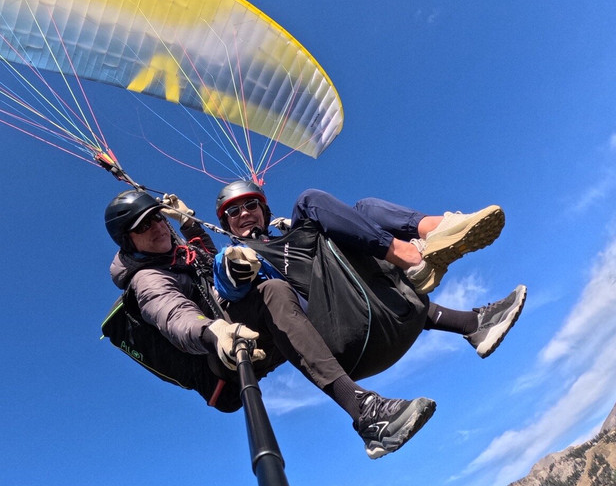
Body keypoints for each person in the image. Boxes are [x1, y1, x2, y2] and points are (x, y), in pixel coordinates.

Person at [106, 188, 435, 459]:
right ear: (128, 241)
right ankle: (366, 414)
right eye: (144, 226)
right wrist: (212, 331)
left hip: (248, 333)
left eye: (158, 218)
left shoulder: (180, 254)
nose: (158, 227)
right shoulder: (147, 279)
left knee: (305, 265)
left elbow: (204, 255)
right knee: (272, 291)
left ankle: (462, 316)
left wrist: (187, 222)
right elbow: (172, 314)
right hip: (218, 357)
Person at [213, 181, 526, 359]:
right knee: (310, 201)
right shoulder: (235, 257)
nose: (243, 214)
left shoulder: (285, 235)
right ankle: (413, 257)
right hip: (332, 331)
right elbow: (228, 286)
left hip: (363, 308)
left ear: (263, 211)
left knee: (360, 211)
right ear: (225, 223)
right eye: (233, 211)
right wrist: (230, 265)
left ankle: (439, 231)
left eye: (251, 205)